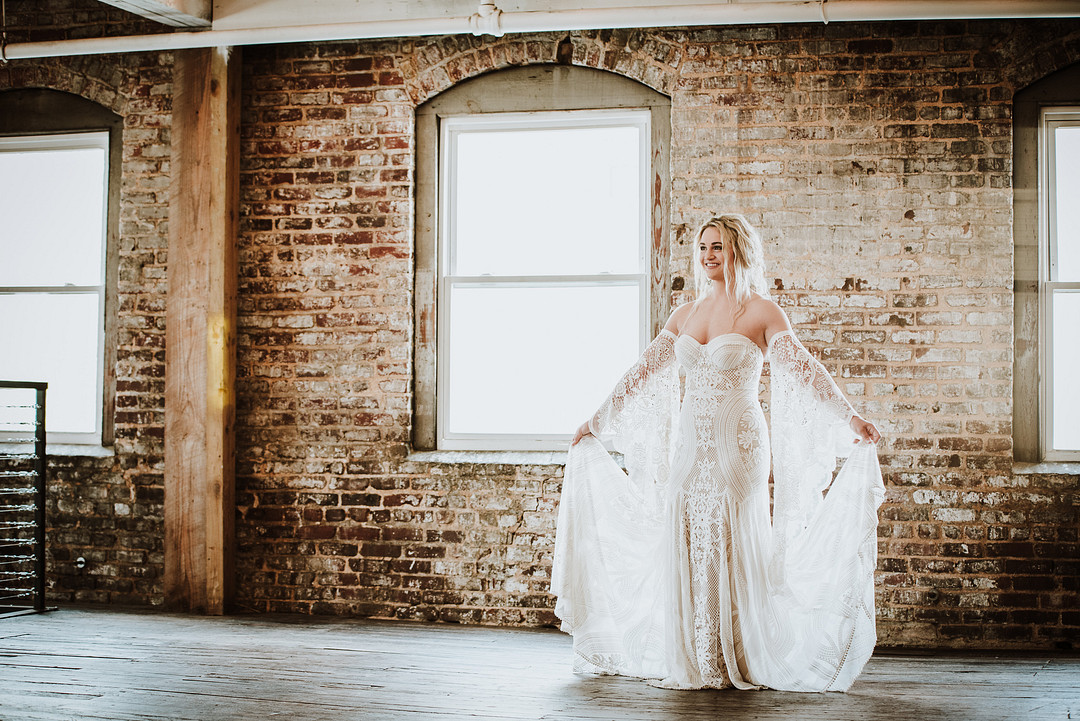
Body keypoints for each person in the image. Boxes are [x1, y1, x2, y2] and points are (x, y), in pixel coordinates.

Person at [551, 214, 885, 692]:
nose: (708, 255)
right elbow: (642, 372)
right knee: (690, 531)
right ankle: (699, 651)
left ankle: (742, 653)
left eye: (718, 247)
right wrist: (596, 421)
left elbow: (805, 371)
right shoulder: (684, 314)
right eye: (703, 247)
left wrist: (850, 418)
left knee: (731, 533)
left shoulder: (762, 311)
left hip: (739, 443)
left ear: (739, 251)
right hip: (691, 446)